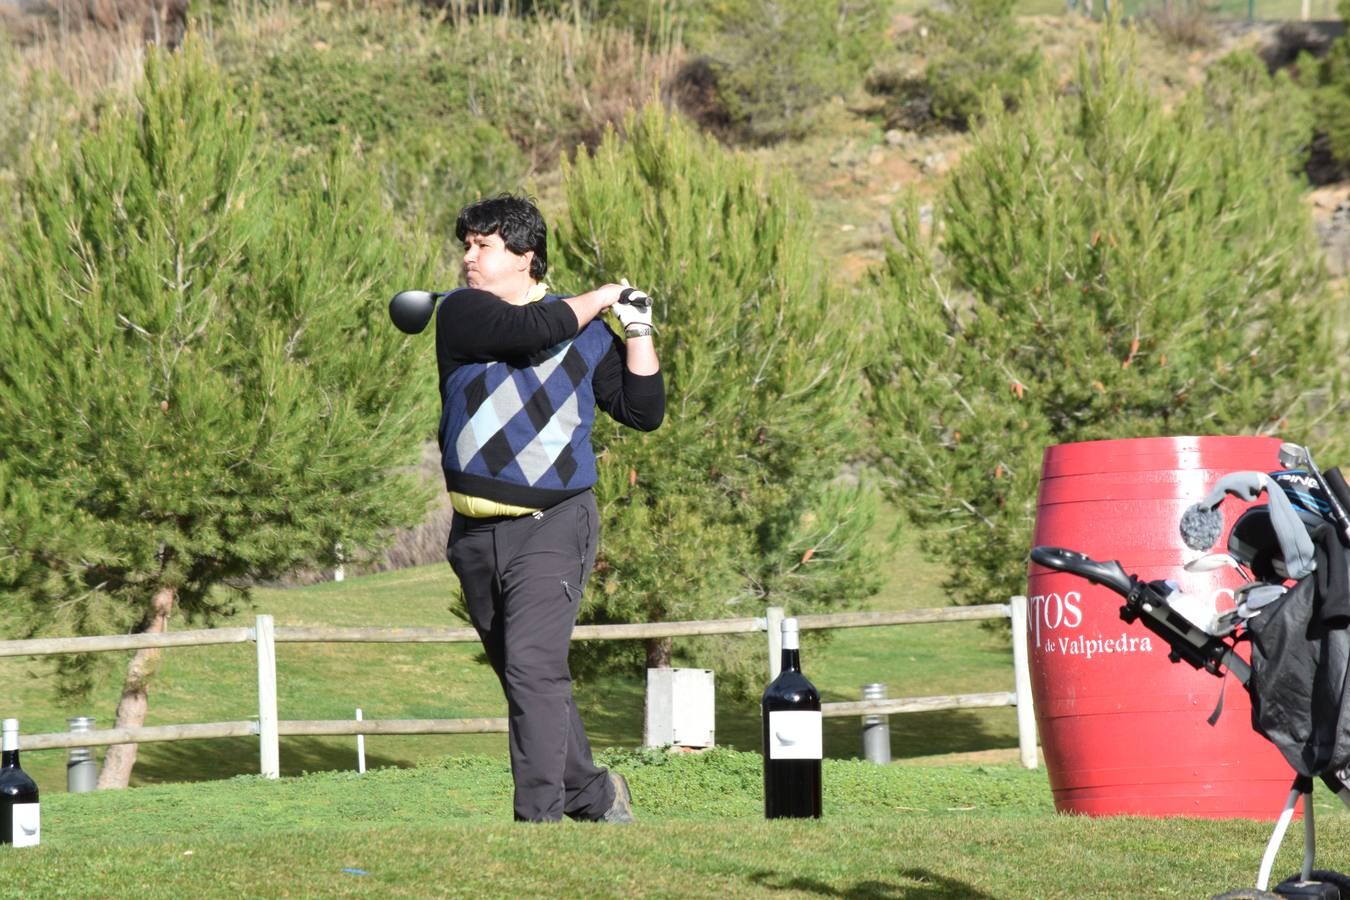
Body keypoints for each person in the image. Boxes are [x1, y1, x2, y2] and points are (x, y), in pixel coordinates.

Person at [436, 195, 664, 823]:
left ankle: (537, 824)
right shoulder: (463, 314)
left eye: (482, 246)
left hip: (554, 522)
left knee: (535, 669)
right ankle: (593, 794)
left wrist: (636, 330)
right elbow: (531, 331)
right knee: (522, 675)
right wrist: (603, 294)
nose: (467, 259)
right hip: (474, 536)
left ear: (525, 257)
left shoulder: (589, 334)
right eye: (467, 246)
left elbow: (642, 411)